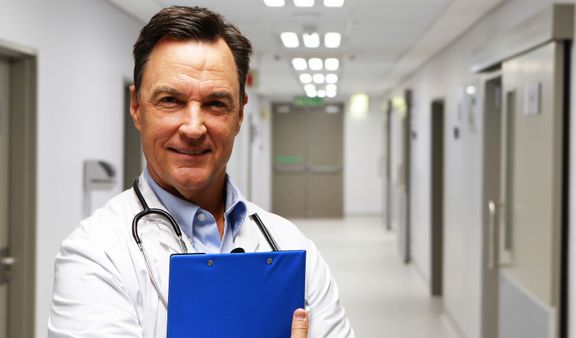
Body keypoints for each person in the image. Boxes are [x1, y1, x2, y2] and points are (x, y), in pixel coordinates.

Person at [48, 6, 354, 338]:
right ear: (136, 108)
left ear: (239, 115)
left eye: (216, 104)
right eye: (170, 100)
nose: (194, 128)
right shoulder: (95, 254)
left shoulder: (291, 246)